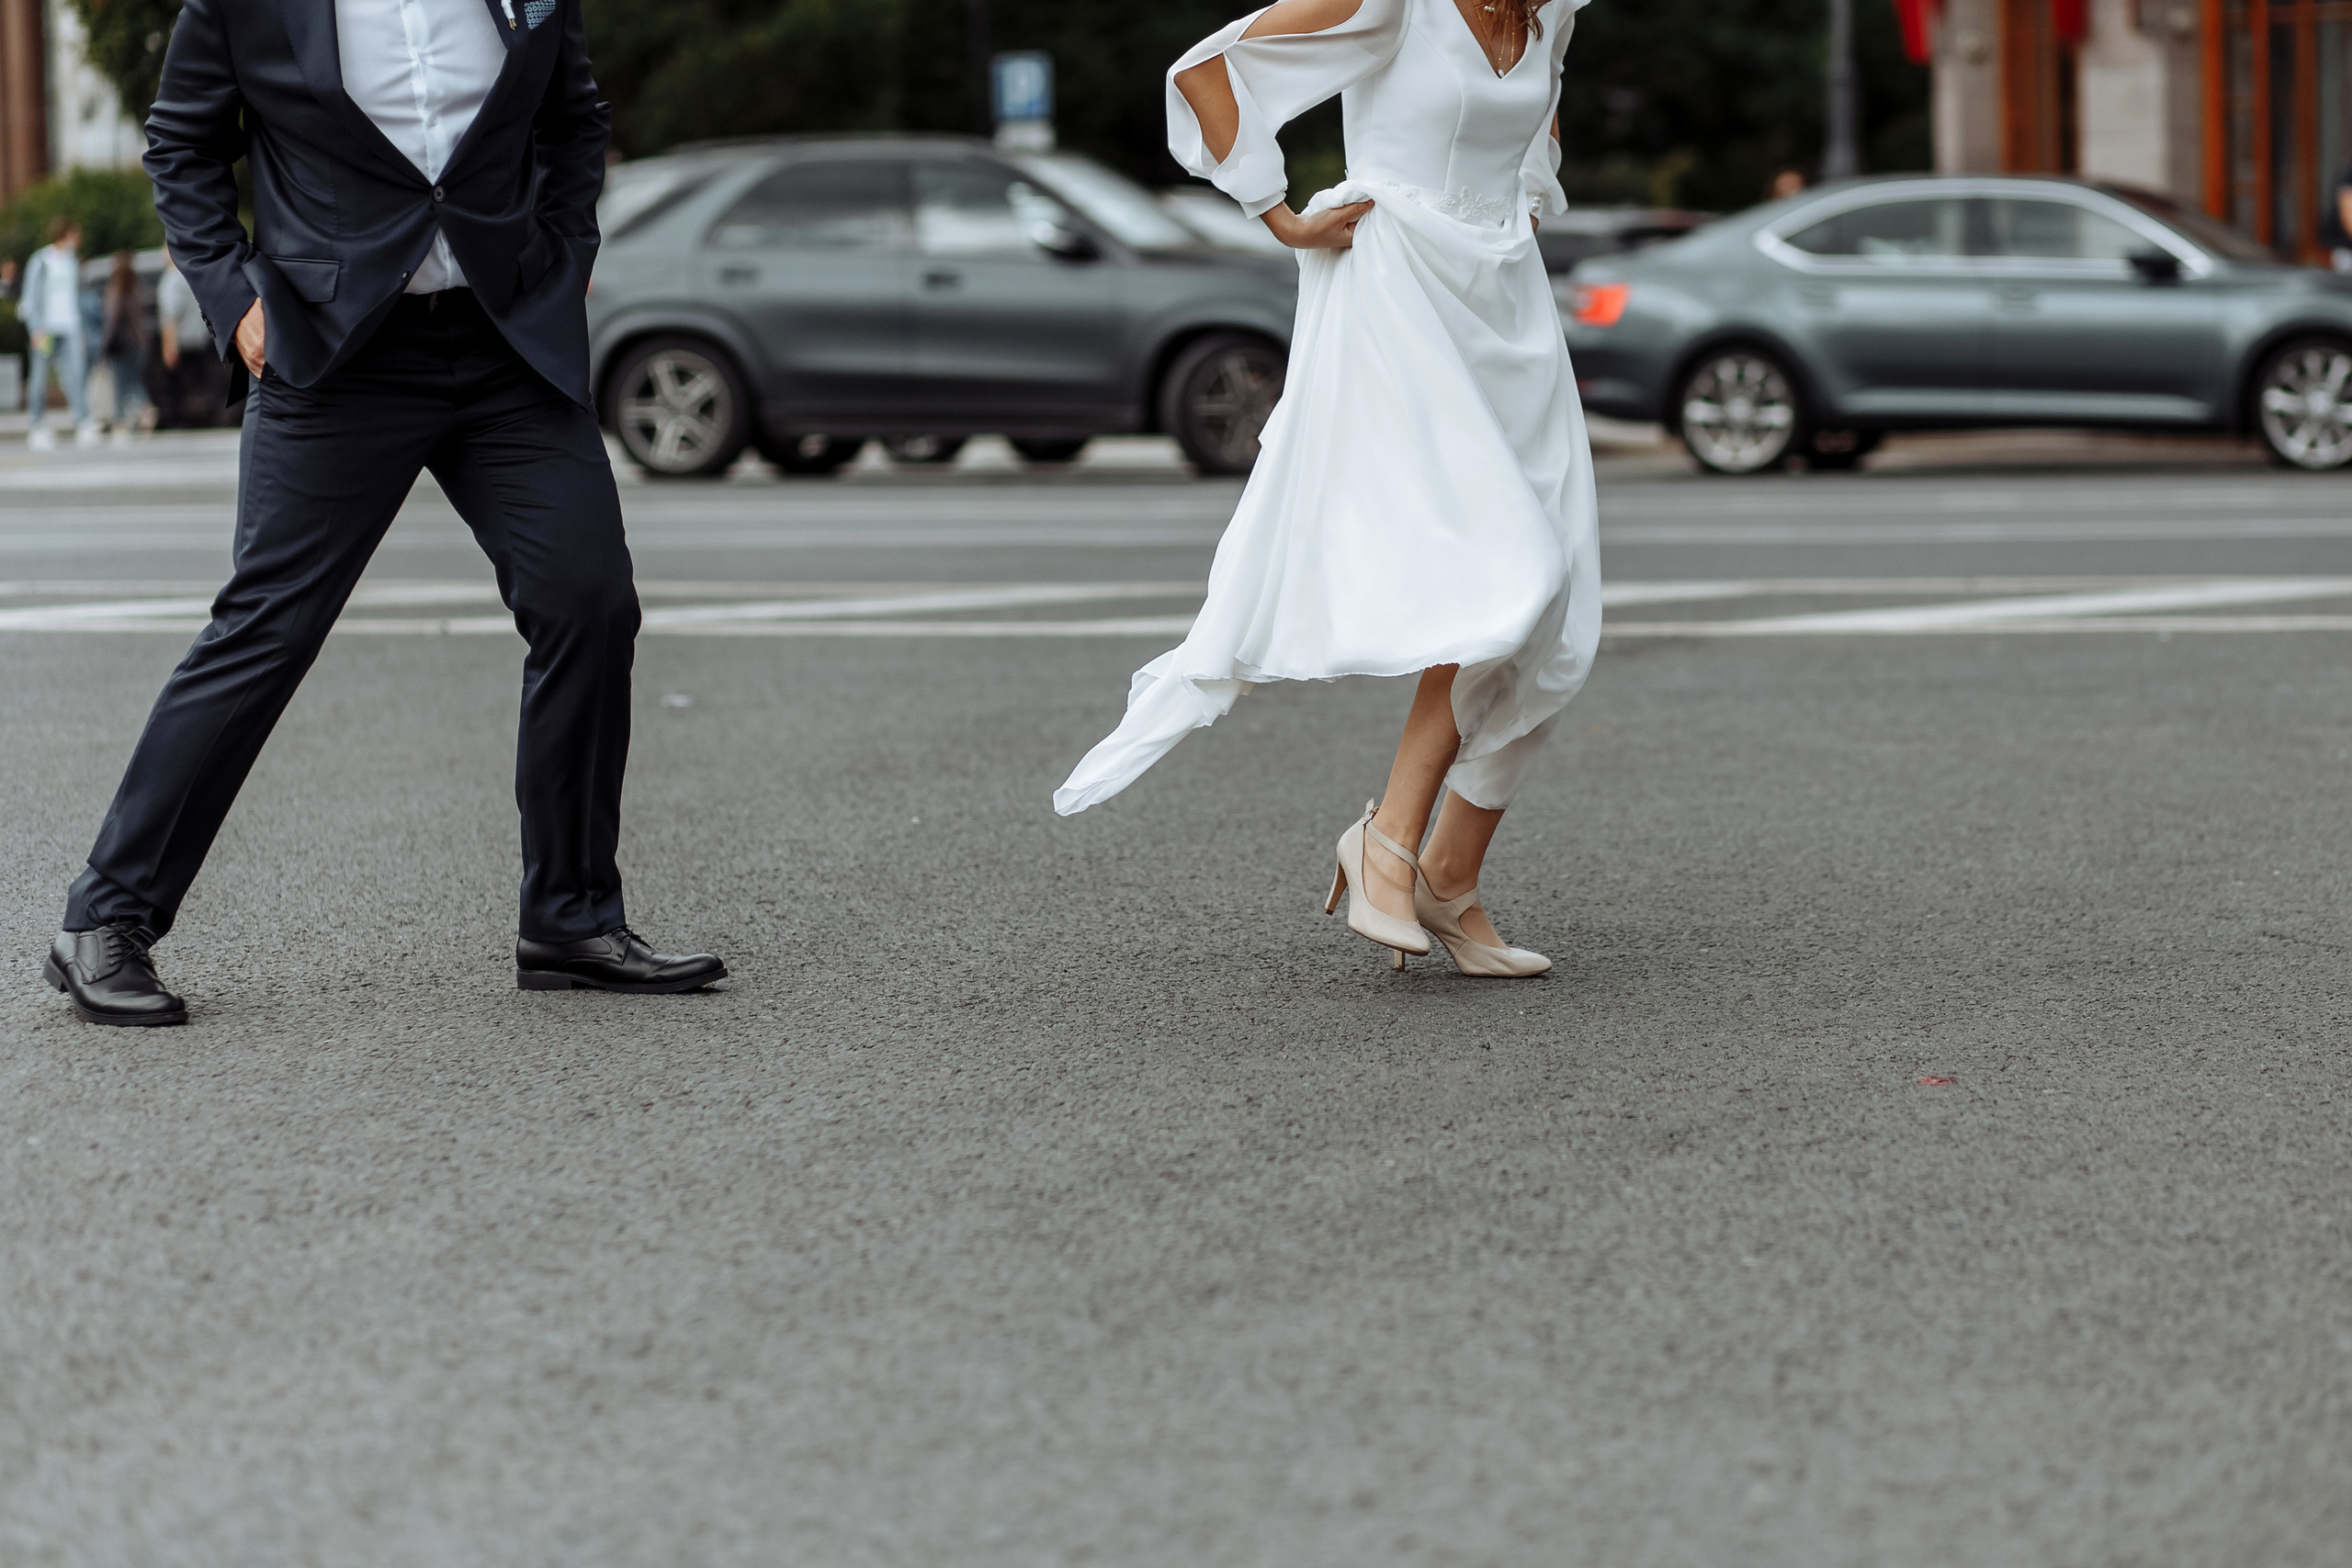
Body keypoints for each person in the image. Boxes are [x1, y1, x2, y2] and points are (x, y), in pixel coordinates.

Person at [41, 0, 726, 1027]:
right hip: (333, 351)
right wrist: (235, 301)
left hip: (504, 345)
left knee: (588, 600)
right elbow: (181, 146)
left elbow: (575, 119)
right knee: (267, 629)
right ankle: (106, 913)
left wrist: (566, 252)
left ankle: (571, 917)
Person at [1054, 0, 1601, 980]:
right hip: (1399, 297)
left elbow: (1537, 129)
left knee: (1561, 619)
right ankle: (1385, 845)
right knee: (1513, 575)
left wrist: (1517, 204)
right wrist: (1282, 215)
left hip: (1508, 313)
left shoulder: (1549, 12)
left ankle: (1448, 877)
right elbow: (1206, 72)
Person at [19, 217, 98, 450]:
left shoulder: (72, 261)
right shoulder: (42, 260)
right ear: (66, 234)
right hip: (46, 330)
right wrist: (35, 328)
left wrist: (83, 328)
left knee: (75, 374)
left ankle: (83, 421)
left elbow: (77, 297)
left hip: (70, 326)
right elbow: (31, 296)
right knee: (39, 378)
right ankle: (36, 425)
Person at [153, 247, 223, 426]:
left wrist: (169, 345)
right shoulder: (190, 276)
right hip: (199, 338)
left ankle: (178, 419)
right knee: (202, 381)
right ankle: (208, 415)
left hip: (182, 340)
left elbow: (170, 316)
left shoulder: (172, 279)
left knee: (176, 385)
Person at [97, 252, 151, 442]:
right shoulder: (136, 289)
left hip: (121, 346)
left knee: (120, 385)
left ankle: (120, 421)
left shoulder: (116, 290)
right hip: (139, 345)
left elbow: (111, 323)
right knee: (134, 381)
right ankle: (145, 408)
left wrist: (103, 348)